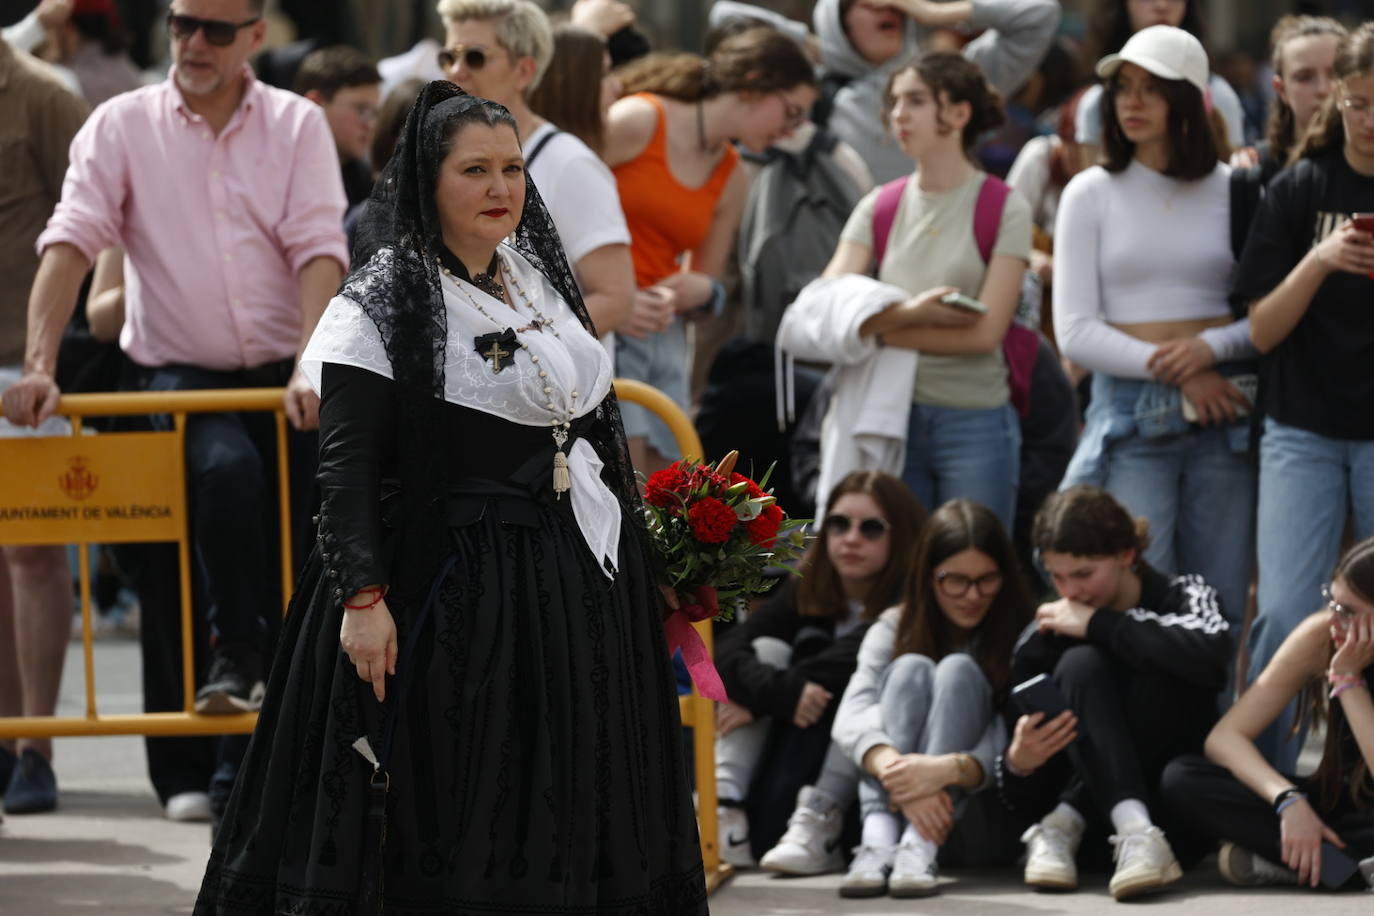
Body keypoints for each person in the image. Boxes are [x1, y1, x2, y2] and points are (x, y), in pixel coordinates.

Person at [194, 82, 708, 914]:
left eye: (511, 168)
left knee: (560, 787)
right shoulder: (382, 298)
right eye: (475, 170)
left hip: (563, 579)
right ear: (427, 179)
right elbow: (347, 464)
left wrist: (646, 558)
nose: (501, 187)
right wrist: (363, 597)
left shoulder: (535, 279)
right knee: (452, 797)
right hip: (444, 587)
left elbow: (591, 431)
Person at [2, 0, 348, 825]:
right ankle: (216, 709)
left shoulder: (298, 125)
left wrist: (309, 364)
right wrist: (41, 364)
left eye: (214, 30)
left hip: (279, 379)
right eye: (180, 24)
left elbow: (318, 249)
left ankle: (251, 759)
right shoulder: (121, 124)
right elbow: (72, 239)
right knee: (209, 509)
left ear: (255, 38)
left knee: (287, 559)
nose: (192, 43)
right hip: (175, 378)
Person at [1053, 26, 1255, 639]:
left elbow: (1269, 315)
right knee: (1140, 609)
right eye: (1122, 89)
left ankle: (1217, 738)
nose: (1132, 103)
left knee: (1219, 612)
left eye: (1152, 89)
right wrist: (1182, 369)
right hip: (1132, 416)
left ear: (1190, 101)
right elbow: (1075, 332)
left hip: (1227, 413)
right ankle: (1152, 741)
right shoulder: (1090, 192)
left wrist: (1209, 353)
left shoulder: (1239, 190)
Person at [777, 52, 1032, 529]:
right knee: (895, 576)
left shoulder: (1004, 205)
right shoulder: (880, 204)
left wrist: (874, 329)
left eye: (914, 100)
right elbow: (824, 305)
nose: (898, 114)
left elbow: (983, 336)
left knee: (973, 561)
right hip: (889, 415)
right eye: (894, 102)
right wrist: (914, 312)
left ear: (959, 113)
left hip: (975, 420)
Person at [1234, 22, 1374, 773]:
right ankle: (1263, 786)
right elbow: (1259, 330)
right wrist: (1319, 260)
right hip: (1303, 428)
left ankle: (1360, 789)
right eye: (1356, 104)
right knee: (1287, 610)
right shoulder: (1300, 186)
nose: (1369, 121)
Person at [605, 25, 816, 471]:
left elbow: (711, 284)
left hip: (662, 334)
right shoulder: (639, 120)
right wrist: (609, 300)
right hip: (602, 324)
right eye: (791, 112)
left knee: (671, 484)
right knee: (630, 479)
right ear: (755, 84)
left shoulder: (733, 173)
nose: (793, 131)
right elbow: (550, 209)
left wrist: (698, 291)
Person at [1008, 485, 1230, 901]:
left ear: (1127, 554)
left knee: (1163, 666)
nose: (1069, 592)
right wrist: (1020, 762)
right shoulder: (1042, 634)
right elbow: (1020, 784)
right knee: (1079, 665)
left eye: (1084, 574)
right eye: (1056, 577)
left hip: (1173, 822)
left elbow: (1214, 651)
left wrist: (1099, 624)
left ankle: (1093, 821)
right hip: (1080, 846)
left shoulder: (1183, 595)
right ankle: (1112, 826)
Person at [714, 470, 926, 869]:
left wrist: (765, 699)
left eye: (872, 529)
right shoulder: (807, 585)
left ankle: (820, 826)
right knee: (765, 649)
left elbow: (850, 662)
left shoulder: (911, 599)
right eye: (839, 524)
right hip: (794, 732)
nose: (851, 538)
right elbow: (727, 650)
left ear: (901, 536)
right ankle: (724, 808)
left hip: (851, 764)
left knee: (863, 683)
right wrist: (778, 693)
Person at [830, 498, 1033, 898]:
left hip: (979, 821)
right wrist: (896, 768)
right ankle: (880, 841)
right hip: (894, 807)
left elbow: (1013, 733)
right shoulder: (894, 625)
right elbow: (851, 712)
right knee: (909, 669)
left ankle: (918, 844)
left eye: (987, 579)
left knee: (958, 670)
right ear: (927, 577)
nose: (972, 595)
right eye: (954, 580)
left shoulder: (1024, 635)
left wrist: (947, 770)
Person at [1161, 536, 1374, 891]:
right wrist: (1288, 800)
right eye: (1331, 601)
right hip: (1341, 810)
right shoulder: (1320, 634)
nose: (1334, 619)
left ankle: (1326, 870)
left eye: (1349, 611)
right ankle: (1339, 869)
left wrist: (1348, 681)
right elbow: (1225, 738)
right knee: (1182, 779)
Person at [0, 36, 88, 817]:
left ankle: (34, 747)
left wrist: (48, 357)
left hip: (21, 375)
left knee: (30, 553)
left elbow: (93, 225)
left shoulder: (43, 94)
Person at [439, 0, 635, 341]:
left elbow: (615, 298)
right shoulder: (437, 154)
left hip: (548, 390)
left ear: (524, 71)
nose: (456, 71)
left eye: (474, 57)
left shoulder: (570, 163)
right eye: (448, 57)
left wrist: (527, 352)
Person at [812, 0, 1060, 184]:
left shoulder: (952, 82)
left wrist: (936, 12)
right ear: (837, 23)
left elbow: (1040, 14)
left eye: (917, 101)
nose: (887, 8)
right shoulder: (811, 98)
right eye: (869, 3)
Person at [1077, 0, 1245, 154]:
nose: (1162, 5)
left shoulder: (1219, 94)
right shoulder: (1095, 103)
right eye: (1123, 87)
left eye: (1153, 89)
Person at [294, 44, 382, 210]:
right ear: (315, 104)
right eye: (361, 109)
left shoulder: (365, 181)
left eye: (375, 113)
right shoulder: (278, 171)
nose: (371, 124)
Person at [33, 0, 144, 107]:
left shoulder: (65, 81)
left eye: (49, 26)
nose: (47, 35)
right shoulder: (127, 69)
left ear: (68, 30)